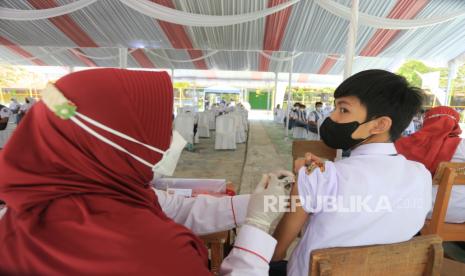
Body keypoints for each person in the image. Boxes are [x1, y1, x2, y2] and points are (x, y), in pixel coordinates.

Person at [0, 68, 289, 275]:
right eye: (162, 129)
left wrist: (255, 204)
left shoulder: (24, 213)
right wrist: (256, 231)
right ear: (115, 144)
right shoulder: (153, 254)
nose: (170, 139)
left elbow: (170, 207)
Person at [270, 69, 432, 276]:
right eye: (335, 107)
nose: (331, 117)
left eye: (343, 110)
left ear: (380, 124)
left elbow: (278, 249)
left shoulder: (317, 174)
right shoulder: (421, 175)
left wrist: (311, 177)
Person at [395, 106, 465, 223]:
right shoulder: (462, 145)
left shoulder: (405, 143)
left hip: (419, 208)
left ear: (427, 121)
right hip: (461, 212)